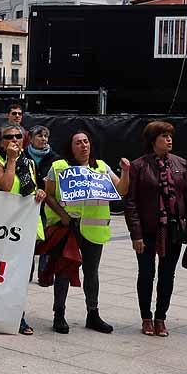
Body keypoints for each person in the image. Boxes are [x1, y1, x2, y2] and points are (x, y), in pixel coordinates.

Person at [43, 129, 130, 335]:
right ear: (70, 148)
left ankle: (93, 314)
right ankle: (59, 314)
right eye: (78, 143)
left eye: (86, 142)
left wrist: (126, 172)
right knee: (63, 272)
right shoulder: (59, 167)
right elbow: (49, 195)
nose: (83, 146)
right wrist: (63, 216)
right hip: (68, 229)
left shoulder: (101, 167)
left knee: (92, 274)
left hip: (94, 229)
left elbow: (122, 190)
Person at [124, 121, 187, 339]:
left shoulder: (181, 164)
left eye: (170, 136)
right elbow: (131, 203)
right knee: (146, 274)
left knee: (168, 275)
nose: (169, 140)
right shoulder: (139, 166)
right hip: (147, 231)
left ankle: (161, 318)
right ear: (152, 140)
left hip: (174, 229)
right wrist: (135, 234)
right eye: (164, 136)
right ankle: (146, 317)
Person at [0, 124, 47, 335]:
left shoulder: (29, 162)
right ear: (1, 142)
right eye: (9, 136)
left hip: (24, 227)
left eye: (18, 136)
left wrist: (40, 192)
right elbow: (5, 184)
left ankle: (17, 315)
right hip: (2, 227)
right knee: (1, 272)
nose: (14, 139)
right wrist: (11, 159)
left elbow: (32, 189)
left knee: (22, 274)